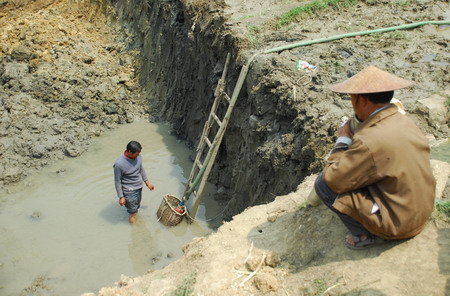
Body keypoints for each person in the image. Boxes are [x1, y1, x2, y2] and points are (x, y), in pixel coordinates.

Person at [314, 65, 436, 249]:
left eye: (351, 98)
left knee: (323, 185)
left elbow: (333, 180)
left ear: (360, 100)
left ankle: (367, 235)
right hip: (420, 212)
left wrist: (342, 142)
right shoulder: (405, 121)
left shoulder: (368, 140)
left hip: (399, 225)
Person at [114, 140, 155, 224]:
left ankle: (133, 212)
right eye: (137, 153)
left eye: (139, 153)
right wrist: (121, 197)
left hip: (139, 187)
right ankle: (135, 231)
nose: (138, 155)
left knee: (136, 207)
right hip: (129, 191)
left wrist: (147, 183)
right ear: (129, 152)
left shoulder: (138, 156)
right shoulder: (119, 164)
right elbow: (117, 181)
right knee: (133, 213)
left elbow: (141, 169)